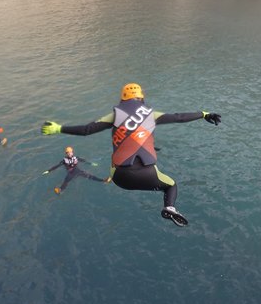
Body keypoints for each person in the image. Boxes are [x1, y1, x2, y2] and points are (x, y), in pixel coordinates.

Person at [41, 83, 221, 226]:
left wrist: (59, 128)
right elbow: (179, 117)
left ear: (123, 99)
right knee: (171, 185)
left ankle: (120, 170)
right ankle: (169, 207)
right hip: (148, 175)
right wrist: (204, 114)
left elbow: (87, 129)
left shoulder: (114, 115)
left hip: (120, 178)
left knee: (120, 152)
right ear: (141, 97)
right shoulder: (151, 114)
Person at [43, 146, 111, 194]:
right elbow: (56, 166)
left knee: (90, 176)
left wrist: (91, 163)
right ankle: (60, 190)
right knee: (66, 181)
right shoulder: (64, 161)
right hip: (70, 173)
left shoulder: (76, 158)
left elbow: (84, 161)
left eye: (70, 152)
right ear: (66, 153)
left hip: (78, 171)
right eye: (68, 152)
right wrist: (48, 171)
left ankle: (103, 180)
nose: (69, 153)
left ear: (72, 152)